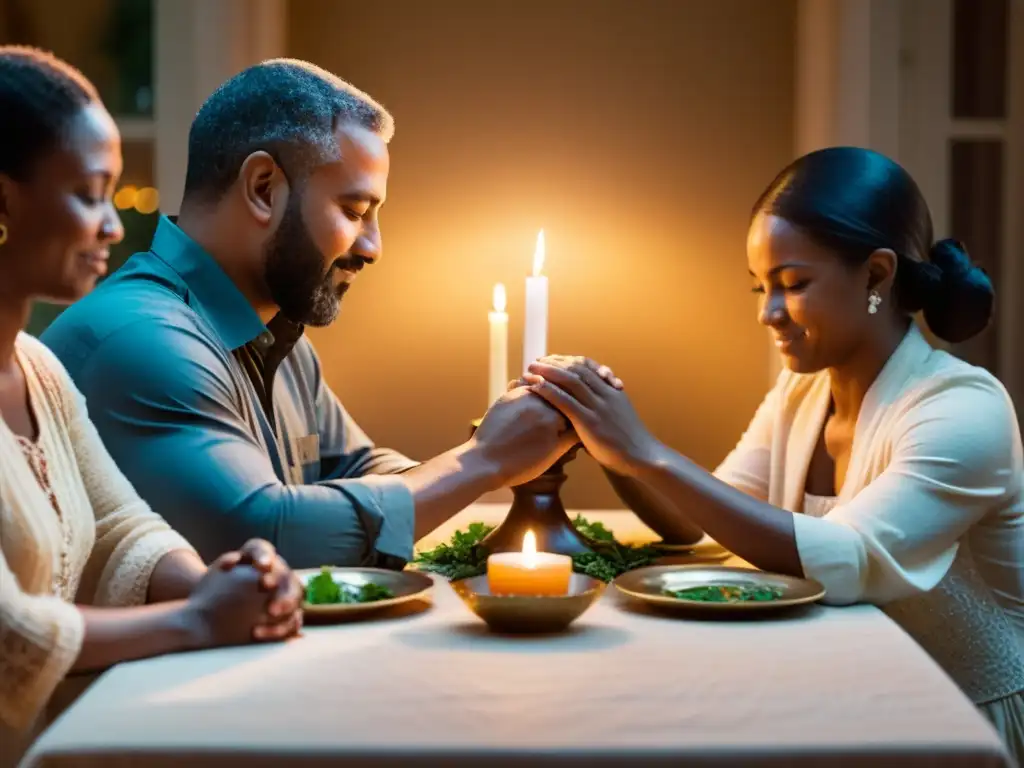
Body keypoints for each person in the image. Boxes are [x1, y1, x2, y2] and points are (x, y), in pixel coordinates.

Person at [523, 147, 1024, 758]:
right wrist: (604, 438)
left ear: (876, 276)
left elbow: (848, 560)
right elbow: (698, 521)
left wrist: (645, 450)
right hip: (854, 696)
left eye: (793, 285)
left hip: (965, 721)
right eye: (761, 287)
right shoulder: (803, 390)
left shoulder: (964, 409)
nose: (767, 313)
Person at [42, 59, 574, 569]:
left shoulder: (278, 335)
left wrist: (502, 448)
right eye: (355, 211)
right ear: (263, 188)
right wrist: (481, 462)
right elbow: (267, 535)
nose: (373, 247)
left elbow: (353, 468)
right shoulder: (141, 339)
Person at [0, 47, 303, 765]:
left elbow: (118, 527)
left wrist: (224, 585)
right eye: (89, 193)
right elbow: (10, 633)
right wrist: (197, 621)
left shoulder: (37, 367)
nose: (112, 225)